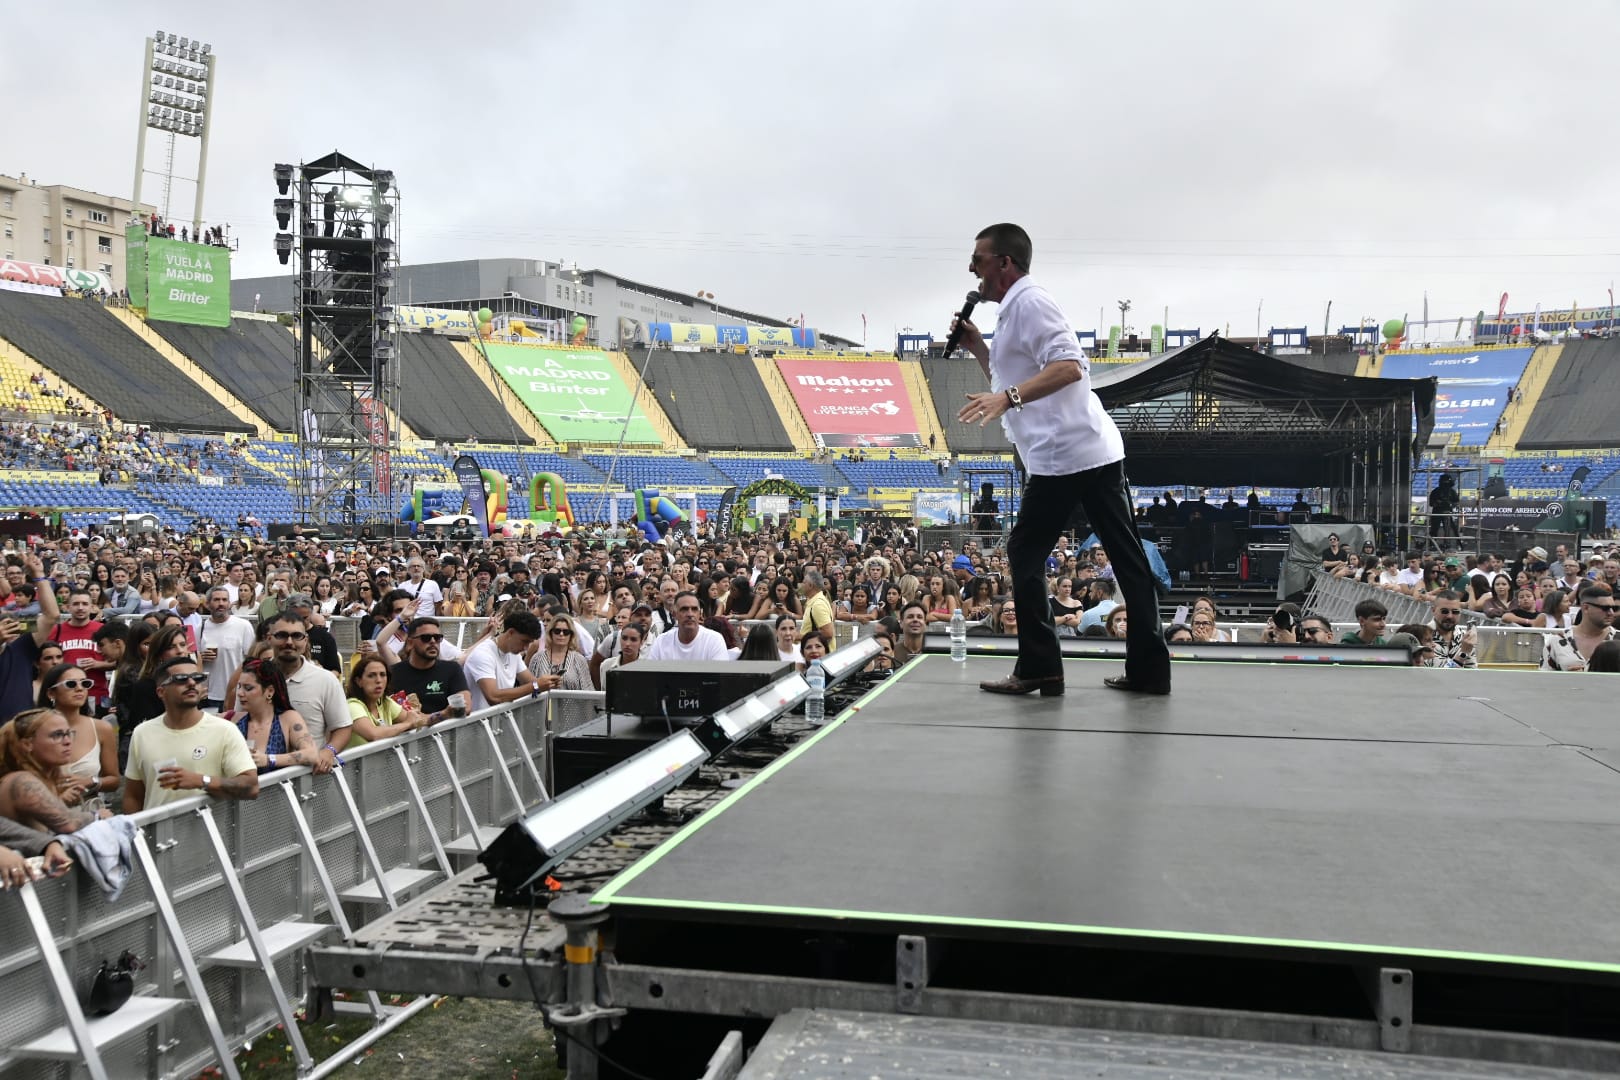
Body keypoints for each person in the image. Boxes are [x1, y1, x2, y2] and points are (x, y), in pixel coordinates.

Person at [954, 223, 1168, 697]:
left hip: (1073, 455)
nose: (972, 268)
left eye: (980, 258)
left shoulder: (1031, 302)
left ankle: (1042, 668)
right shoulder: (1011, 312)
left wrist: (1007, 398)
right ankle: (1144, 671)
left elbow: (1070, 367)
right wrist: (976, 348)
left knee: (1029, 554)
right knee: (1122, 559)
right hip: (1070, 455)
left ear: (1005, 263)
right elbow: (1019, 374)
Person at [123, 657, 258, 812]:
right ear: (161, 692)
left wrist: (200, 780)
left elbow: (251, 786)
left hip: (209, 833)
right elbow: (133, 795)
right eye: (180, 679)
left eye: (197, 678)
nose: (192, 683)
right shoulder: (142, 733)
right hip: (158, 834)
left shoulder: (225, 730)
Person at [0, 708, 110, 834]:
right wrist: (97, 815)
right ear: (27, 745)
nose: (67, 741)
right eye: (57, 735)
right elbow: (68, 824)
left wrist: (62, 800)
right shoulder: (22, 781)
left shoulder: (42, 778)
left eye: (69, 734)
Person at [37, 664, 119, 808]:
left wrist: (92, 781)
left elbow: (114, 781)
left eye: (85, 683)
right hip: (47, 815)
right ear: (51, 693)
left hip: (91, 814)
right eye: (71, 684)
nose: (80, 688)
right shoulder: (34, 730)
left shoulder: (101, 728)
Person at [229, 658, 318, 770]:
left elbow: (311, 754)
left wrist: (268, 760)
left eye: (248, 688)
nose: (240, 693)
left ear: (270, 691)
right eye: (239, 687)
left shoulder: (288, 718)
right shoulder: (236, 721)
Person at [462, 609, 543, 711]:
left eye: (529, 643)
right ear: (510, 632)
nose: (526, 647)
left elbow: (530, 681)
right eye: (524, 641)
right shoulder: (482, 654)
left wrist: (545, 683)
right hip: (478, 724)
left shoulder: (514, 653)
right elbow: (493, 697)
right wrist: (536, 686)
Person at [345, 655, 429, 746]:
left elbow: (418, 718)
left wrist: (444, 714)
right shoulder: (352, 706)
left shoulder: (385, 702)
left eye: (382, 675)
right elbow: (374, 735)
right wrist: (407, 723)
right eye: (371, 676)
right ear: (359, 681)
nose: (378, 680)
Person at [643, 591, 729, 661]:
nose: (690, 614)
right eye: (684, 609)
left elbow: (719, 678)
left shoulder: (714, 640)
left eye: (694, 609)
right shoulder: (661, 641)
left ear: (700, 614)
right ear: (674, 614)